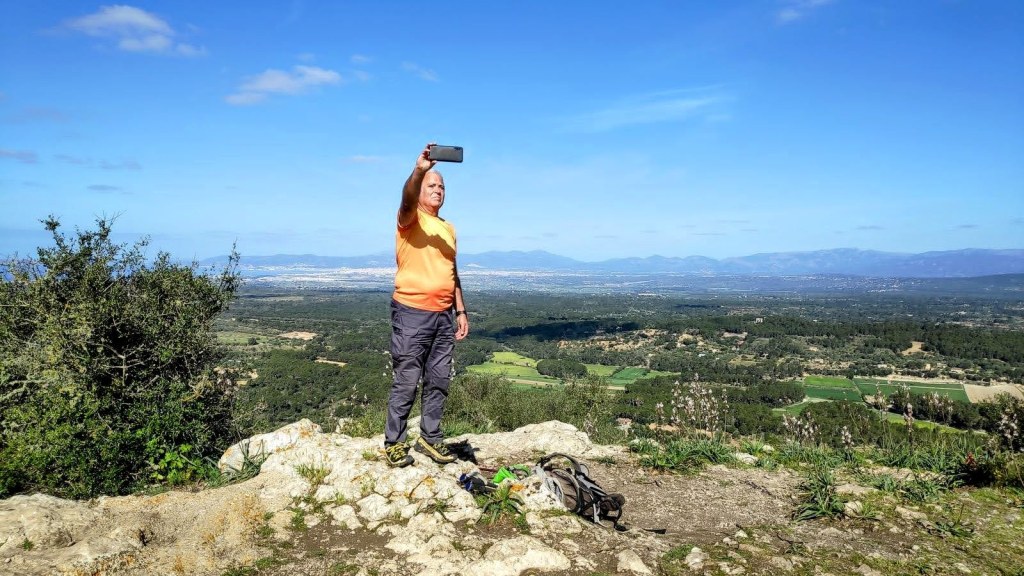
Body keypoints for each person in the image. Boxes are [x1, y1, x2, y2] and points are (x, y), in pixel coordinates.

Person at [383, 143, 470, 467]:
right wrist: (419, 170)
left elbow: (452, 271)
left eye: (442, 186)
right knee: (407, 379)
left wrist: (460, 310)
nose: (438, 190)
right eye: (431, 185)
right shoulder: (410, 218)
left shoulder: (448, 228)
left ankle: (430, 439)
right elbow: (406, 198)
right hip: (411, 312)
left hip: (444, 314)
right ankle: (394, 442)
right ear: (420, 189)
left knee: (439, 379)